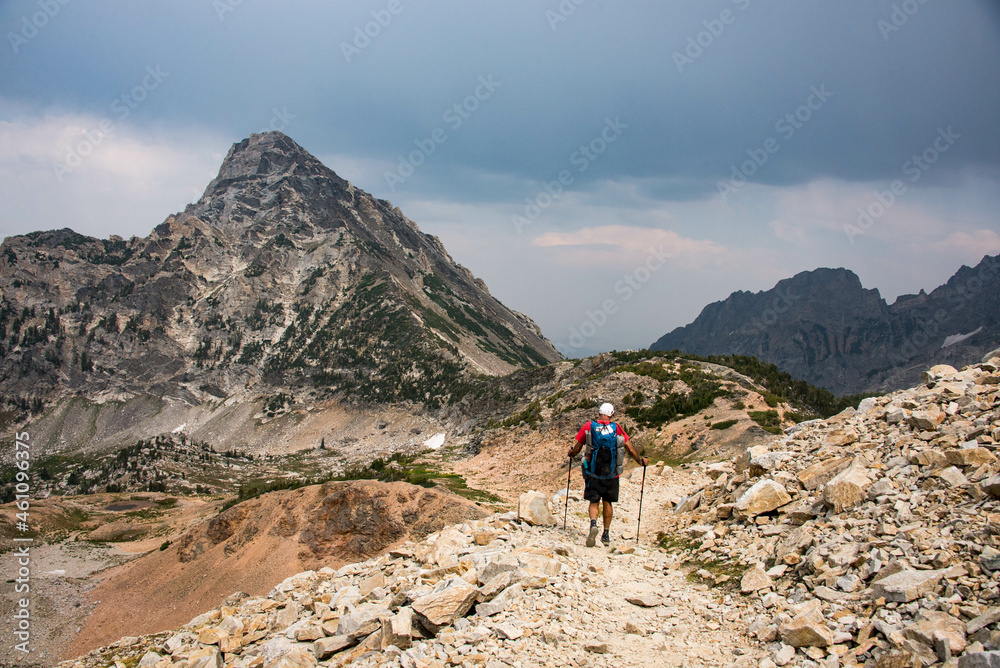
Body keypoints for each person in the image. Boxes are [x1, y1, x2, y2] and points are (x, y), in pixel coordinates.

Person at [567, 402, 648, 547]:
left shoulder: (589, 426)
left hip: (593, 472)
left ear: (599, 413)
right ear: (612, 414)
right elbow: (628, 447)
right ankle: (606, 534)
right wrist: (640, 461)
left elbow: (578, 446)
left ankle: (593, 524)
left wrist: (572, 454)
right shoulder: (617, 428)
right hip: (612, 474)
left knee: (594, 501)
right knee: (607, 502)